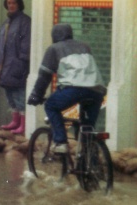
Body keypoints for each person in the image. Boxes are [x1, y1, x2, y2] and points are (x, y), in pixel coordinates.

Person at [27, 23, 106, 153]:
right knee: (87, 128)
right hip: (97, 90)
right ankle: (91, 163)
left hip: (74, 88)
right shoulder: (84, 46)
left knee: (51, 106)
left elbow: (44, 76)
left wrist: (36, 95)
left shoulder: (54, 48)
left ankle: (60, 142)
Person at [0, 0, 31, 134]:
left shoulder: (25, 22)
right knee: (9, 93)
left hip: (18, 64)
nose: (11, 5)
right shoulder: (6, 23)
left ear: (19, 4)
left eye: (14, 3)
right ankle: (15, 121)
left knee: (19, 93)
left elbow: (26, 44)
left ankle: (23, 123)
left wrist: (22, 61)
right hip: (5, 64)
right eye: (9, 3)